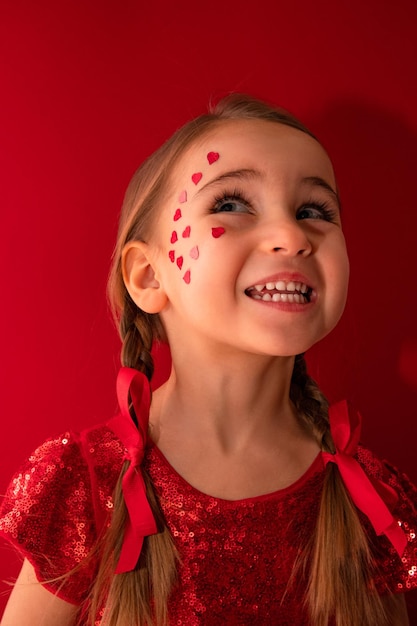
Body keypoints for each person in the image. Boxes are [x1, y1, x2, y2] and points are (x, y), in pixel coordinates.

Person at [0, 94, 416, 626]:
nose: (292, 237)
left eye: (314, 211)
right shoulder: (84, 486)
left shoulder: (369, 499)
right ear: (149, 277)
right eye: (232, 205)